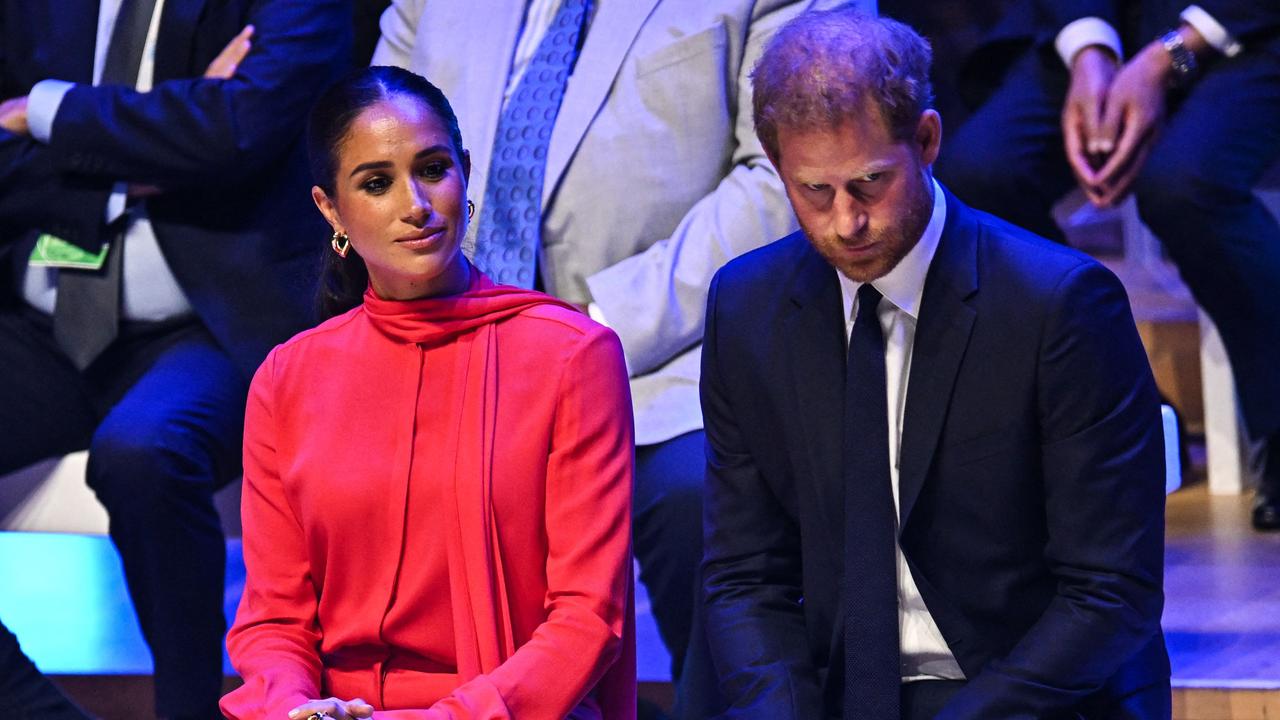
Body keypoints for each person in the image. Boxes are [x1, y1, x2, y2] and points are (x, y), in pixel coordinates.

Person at [370, 1, 869, 714]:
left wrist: (594, 327)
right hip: (451, 343)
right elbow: (372, 142)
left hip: (673, 350)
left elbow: (785, 175)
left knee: (697, 496)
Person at [701, 9, 1170, 719]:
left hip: (1030, 695)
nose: (846, 221)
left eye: (869, 183)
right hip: (839, 694)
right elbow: (744, 577)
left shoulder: (1060, 306)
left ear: (925, 140)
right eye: (814, 192)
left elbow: (1109, 595)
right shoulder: (746, 308)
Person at [219, 66, 635, 720]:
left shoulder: (572, 355)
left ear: (466, 173)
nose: (415, 203)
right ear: (330, 209)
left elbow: (589, 617)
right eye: (377, 183)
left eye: (434, 169)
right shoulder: (286, 379)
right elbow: (272, 620)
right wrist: (296, 708)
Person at [0, 1, 350, 717]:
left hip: (209, 322)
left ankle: (188, 711)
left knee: (147, 452)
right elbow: (206, 136)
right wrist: (166, 127)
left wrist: (45, 114)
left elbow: (238, 131)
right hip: (38, 316)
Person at [935, 1, 1280, 530]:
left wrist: (1164, 59)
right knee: (978, 174)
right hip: (1101, 23)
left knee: (1184, 184)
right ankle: (1117, 401)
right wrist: (1089, 51)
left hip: (1249, 26)